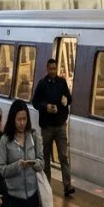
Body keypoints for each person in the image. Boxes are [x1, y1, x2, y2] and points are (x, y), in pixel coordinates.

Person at [31, 59, 74, 198]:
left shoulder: (62, 83)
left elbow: (69, 98)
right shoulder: (42, 84)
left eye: (54, 69)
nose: (52, 72)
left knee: (63, 155)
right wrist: (46, 107)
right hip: (47, 127)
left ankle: (67, 185)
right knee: (46, 157)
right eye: (50, 69)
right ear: (47, 69)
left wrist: (66, 100)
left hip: (60, 125)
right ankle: (47, 185)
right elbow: (35, 102)